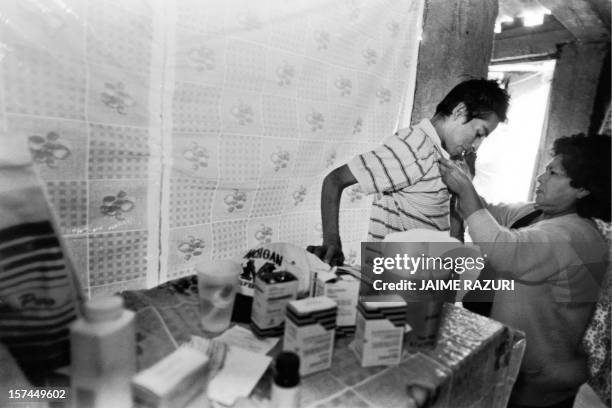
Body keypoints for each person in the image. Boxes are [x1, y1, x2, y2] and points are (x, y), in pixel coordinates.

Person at [438, 133, 611, 408]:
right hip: (509, 364)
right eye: (545, 170)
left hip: (538, 383)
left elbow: (505, 250)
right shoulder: (537, 213)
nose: (540, 179)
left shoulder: (578, 237)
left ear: (583, 189)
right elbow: (486, 213)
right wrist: (466, 183)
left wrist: (466, 192)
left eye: (553, 173)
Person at [307, 78, 510, 266]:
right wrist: (332, 241)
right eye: (478, 134)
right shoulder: (414, 146)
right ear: (459, 111)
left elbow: (449, 225)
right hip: (395, 287)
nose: (476, 146)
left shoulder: (444, 156)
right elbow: (334, 180)